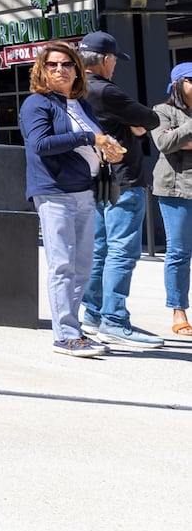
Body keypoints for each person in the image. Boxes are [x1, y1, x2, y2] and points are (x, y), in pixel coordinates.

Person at [21, 40, 124, 358]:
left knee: (81, 267)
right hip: (54, 193)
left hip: (84, 192)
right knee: (62, 265)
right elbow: (41, 144)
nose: (59, 69)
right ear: (42, 69)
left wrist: (107, 149)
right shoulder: (37, 104)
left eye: (66, 64)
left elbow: (88, 143)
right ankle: (64, 334)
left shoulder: (82, 105)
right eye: (51, 64)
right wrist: (89, 137)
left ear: (78, 71)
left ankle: (75, 329)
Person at [78, 31, 163, 349]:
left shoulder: (75, 89)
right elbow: (150, 118)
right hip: (123, 181)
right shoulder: (105, 90)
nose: (115, 66)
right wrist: (134, 124)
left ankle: (95, 315)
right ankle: (115, 320)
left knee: (99, 250)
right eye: (114, 60)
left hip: (95, 180)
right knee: (121, 253)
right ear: (104, 60)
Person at [151, 62, 192, 338]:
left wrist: (182, 138)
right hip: (176, 190)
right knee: (179, 253)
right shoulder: (161, 111)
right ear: (178, 84)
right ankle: (178, 311)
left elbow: (176, 141)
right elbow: (164, 144)